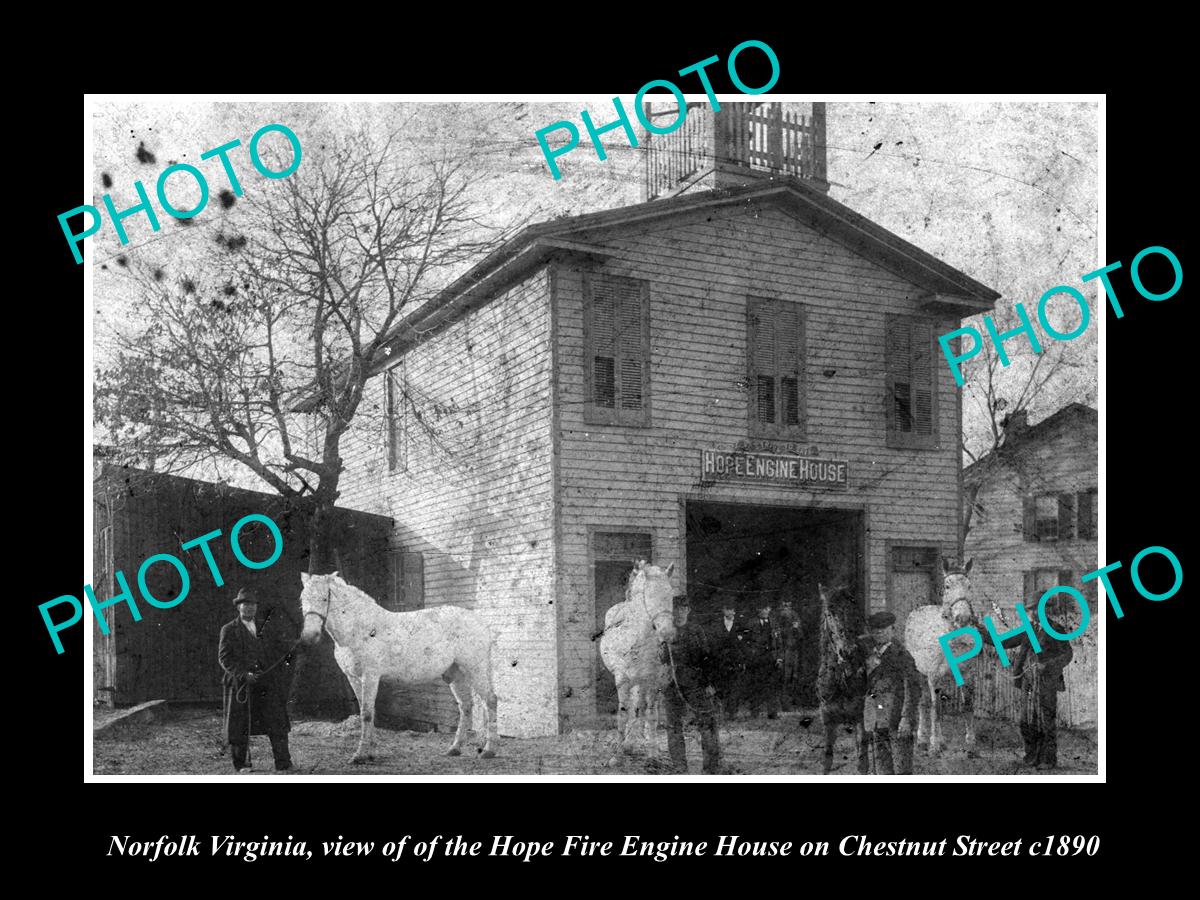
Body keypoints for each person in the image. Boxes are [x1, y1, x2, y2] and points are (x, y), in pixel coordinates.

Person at [219, 588, 298, 773]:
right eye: (245, 605)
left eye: (252, 605)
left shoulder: (264, 627)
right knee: (240, 726)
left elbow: (279, 648)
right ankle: (242, 765)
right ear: (238, 607)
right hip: (241, 685)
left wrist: (294, 645)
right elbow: (224, 658)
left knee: (277, 721)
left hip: (266, 682)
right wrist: (243, 674)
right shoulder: (229, 630)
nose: (249, 608)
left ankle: (284, 763)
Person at [1011, 597, 1074, 770]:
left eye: (1034, 609)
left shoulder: (1056, 629)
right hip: (1028, 681)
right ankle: (1031, 755)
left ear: (1044, 610)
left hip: (1047, 681)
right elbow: (1005, 642)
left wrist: (1047, 665)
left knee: (1045, 720)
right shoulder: (1029, 629)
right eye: (1030, 609)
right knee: (1025, 719)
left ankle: (1048, 759)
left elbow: (1067, 654)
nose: (1031, 613)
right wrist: (982, 632)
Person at [660, 594, 720, 774]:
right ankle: (680, 768)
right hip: (672, 685)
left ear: (688, 610)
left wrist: (709, 683)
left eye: (683, 608)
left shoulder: (696, 631)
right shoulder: (665, 632)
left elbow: (707, 658)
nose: (680, 612)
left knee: (707, 722)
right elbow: (661, 659)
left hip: (696, 683)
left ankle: (710, 769)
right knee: (673, 726)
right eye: (676, 609)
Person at [864, 611, 921, 775]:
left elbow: (913, 688)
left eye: (883, 629)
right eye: (875, 630)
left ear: (893, 630)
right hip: (877, 719)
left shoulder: (902, 655)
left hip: (897, 720)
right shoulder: (871, 656)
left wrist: (906, 718)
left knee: (901, 769)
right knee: (881, 769)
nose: (879, 633)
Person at [742, 602, 783, 719]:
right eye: (762, 608)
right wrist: (750, 655)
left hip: (771, 658)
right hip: (757, 659)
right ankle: (754, 712)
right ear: (758, 610)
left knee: (772, 686)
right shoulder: (751, 623)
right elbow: (745, 642)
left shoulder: (774, 623)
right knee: (756, 685)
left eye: (767, 608)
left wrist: (779, 658)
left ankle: (772, 712)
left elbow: (779, 642)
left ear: (769, 609)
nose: (765, 611)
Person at [710, 602, 745, 718]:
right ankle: (721, 711)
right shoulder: (717, 625)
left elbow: (744, 643)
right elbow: (713, 642)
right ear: (723, 611)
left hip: (736, 659)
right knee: (722, 685)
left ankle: (732, 712)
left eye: (731, 610)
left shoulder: (740, 624)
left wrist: (742, 658)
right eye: (727, 609)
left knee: (735, 685)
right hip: (722, 659)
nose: (729, 612)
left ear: (734, 611)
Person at [776, 597, 803, 711]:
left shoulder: (795, 615)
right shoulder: (779, 616)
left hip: (793, 650)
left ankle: (790, 702)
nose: (787, 608)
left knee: (793, 676)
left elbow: (801, 636)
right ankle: (784, 704)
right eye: (785, 605)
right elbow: (778, 634)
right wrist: (792, 628)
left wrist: (796, 629)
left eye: (789, 605)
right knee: (785, 677)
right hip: (784, 650)